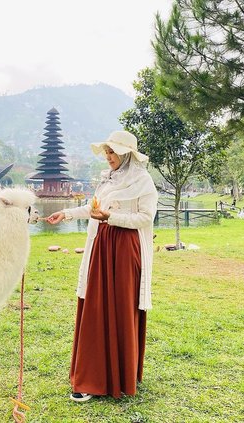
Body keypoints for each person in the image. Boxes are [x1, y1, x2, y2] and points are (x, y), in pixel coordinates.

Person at [47, 130, 158, 402]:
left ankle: (116, 376)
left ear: (127, 154)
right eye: (107, 152)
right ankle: (92, 376)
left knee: (120, 307)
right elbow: (93, 208)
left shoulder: (143, 181)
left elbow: (145, 218)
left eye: (113, 152)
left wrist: (111, 216)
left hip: (124, 248)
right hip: (102, 245)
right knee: (96, 305)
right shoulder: (108, 180)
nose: (108, 157)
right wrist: (66, 213)